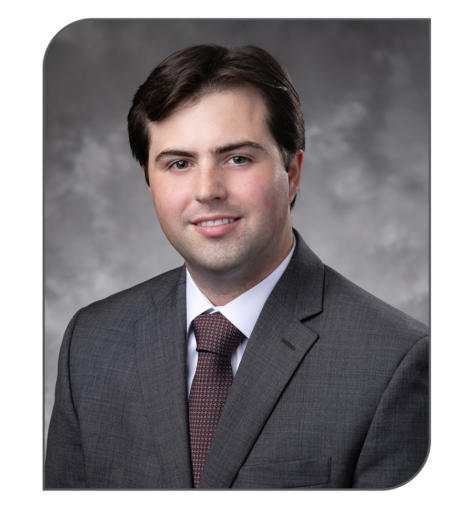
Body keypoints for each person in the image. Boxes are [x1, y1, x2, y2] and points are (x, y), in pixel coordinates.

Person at [45, 44, 429, 489]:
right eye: (179, 163)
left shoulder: (394, 362)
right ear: (150, 182)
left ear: (292, 173)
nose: (207, 190)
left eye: (238, 158)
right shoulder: (91, 343)